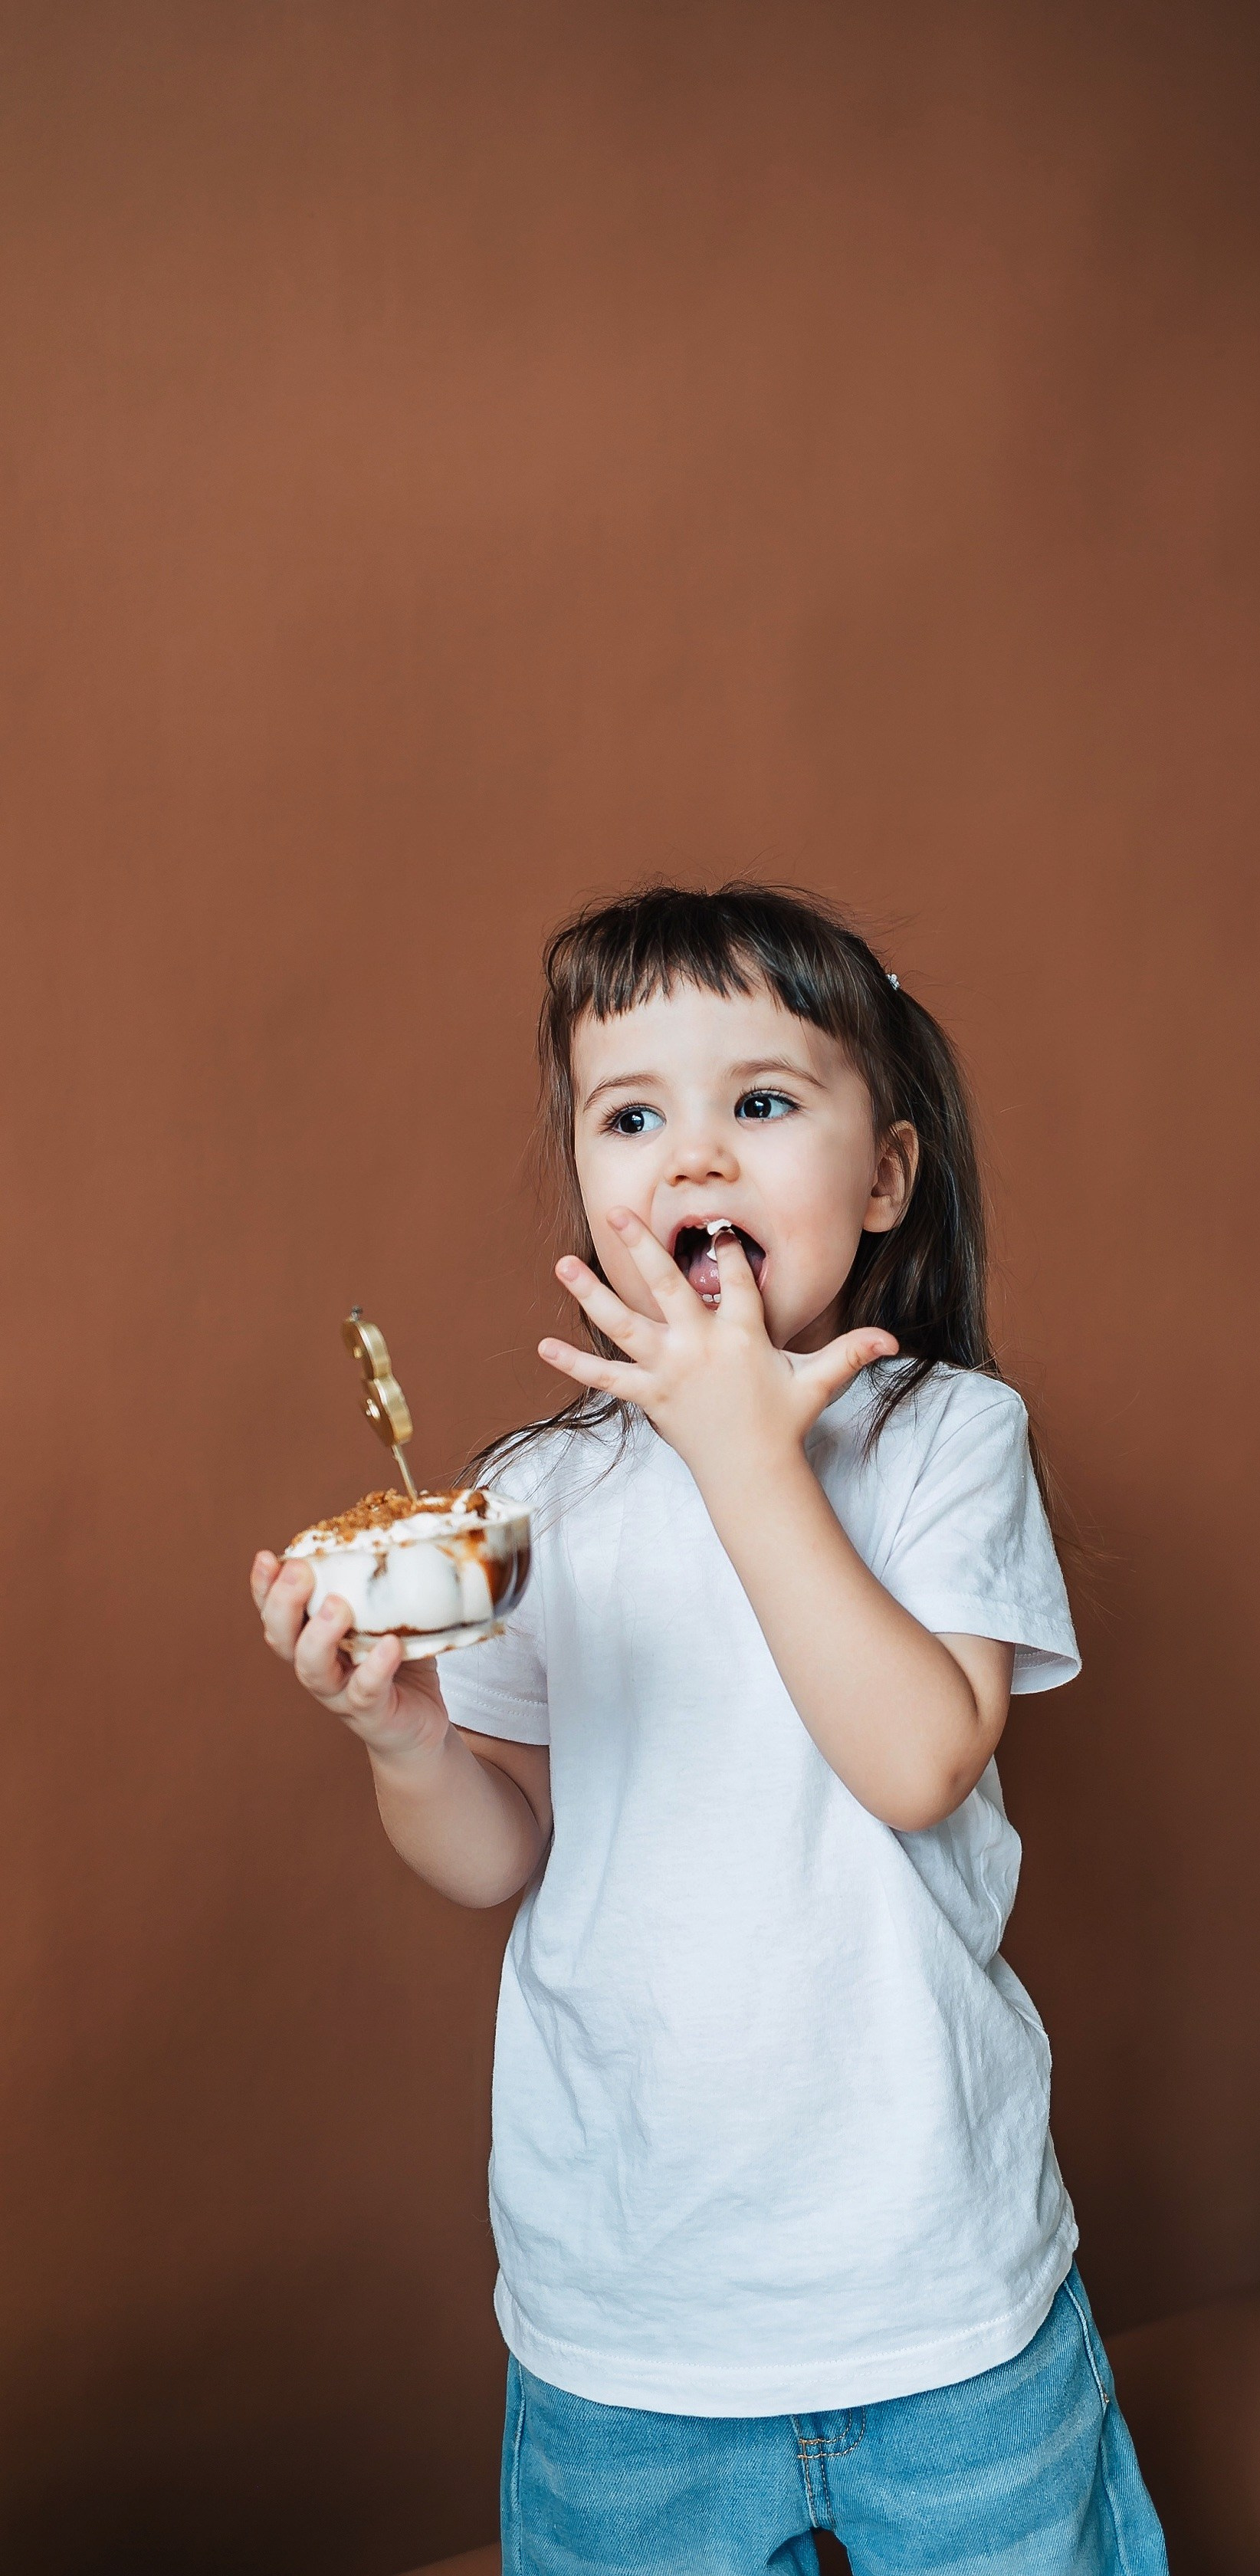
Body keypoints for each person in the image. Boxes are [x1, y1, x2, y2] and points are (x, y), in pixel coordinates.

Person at [251, 883, 1167, 2575]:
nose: (692, 1161)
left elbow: (918, 1762)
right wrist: (406, 1743)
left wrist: (743, 1453)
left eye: (760, 1104)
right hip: (632, 2297)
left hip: (934, 2282)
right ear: (588, 1181)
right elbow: (499, 1852)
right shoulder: (538, 1494)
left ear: (883, 1176)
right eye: (630, 1116)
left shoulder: (945, 1434)